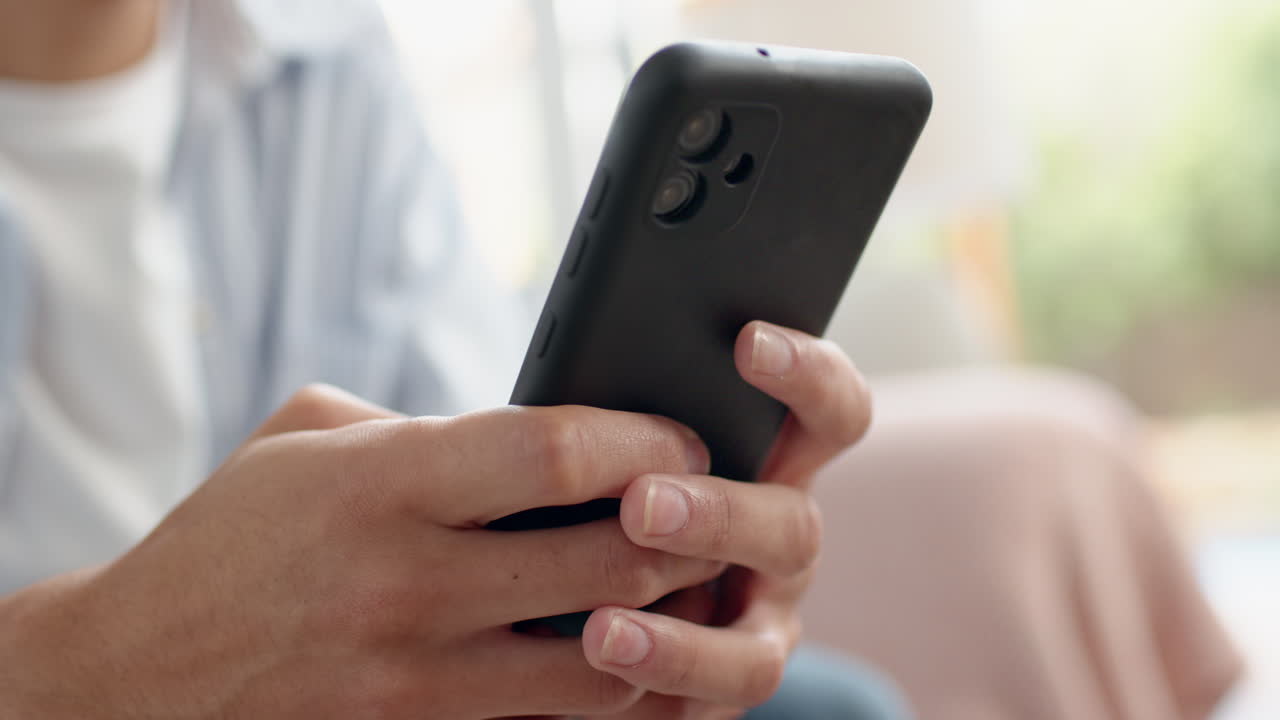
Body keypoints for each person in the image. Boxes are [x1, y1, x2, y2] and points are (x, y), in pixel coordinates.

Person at [0, 1, 906, 717]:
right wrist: (84, 672)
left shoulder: (332, 63)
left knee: (832, 709)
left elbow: (484, 478)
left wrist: (608, 613)